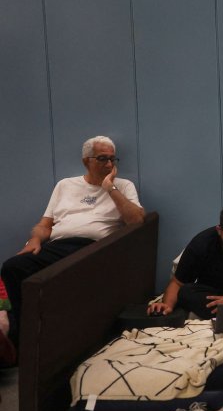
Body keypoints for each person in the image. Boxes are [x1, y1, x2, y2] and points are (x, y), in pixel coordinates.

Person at [1, 136, 145, 346]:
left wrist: (109, 188)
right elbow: (45, 224)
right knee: (12, 267)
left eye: (112, 159)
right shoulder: (65, 185)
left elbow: (136, 220)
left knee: (60, 278)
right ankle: (21, 337)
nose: (109, 164)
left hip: (93, 249)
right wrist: (35, 239)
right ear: (86, 161)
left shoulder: (123, 186)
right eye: (102, 158)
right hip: (58, 246)